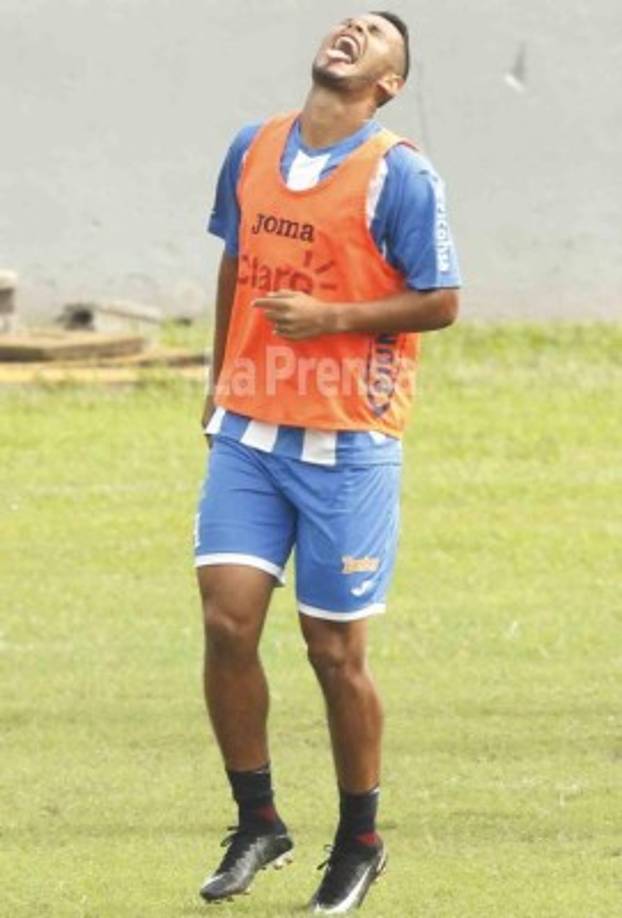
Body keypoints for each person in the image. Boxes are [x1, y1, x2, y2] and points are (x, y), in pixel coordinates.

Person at [195, 10, 461, 912]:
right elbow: (235, 263)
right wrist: (215, 379)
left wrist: (335, 320)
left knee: (333, 652)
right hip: (249, 428)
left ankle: (360, 838)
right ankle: (259, 821)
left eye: (376, 33)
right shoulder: (253, 145)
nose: (352, 27)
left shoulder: (401, 175)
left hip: (348, 440)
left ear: (388, 83)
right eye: (348, 19)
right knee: (228, 624)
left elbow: (442, 302)